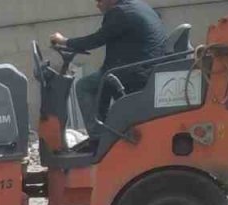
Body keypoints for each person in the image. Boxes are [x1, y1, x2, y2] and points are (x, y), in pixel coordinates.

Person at [51, 0, 169, 132]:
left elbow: (96, 39)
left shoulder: (119, 12)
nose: (97, 5)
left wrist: (64, 41)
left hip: (131, 73)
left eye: (100, 0)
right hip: (145, 69)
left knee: (84, 86)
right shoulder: (140, 6)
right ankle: (106, 130)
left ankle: (97, 136)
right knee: (101, 80)